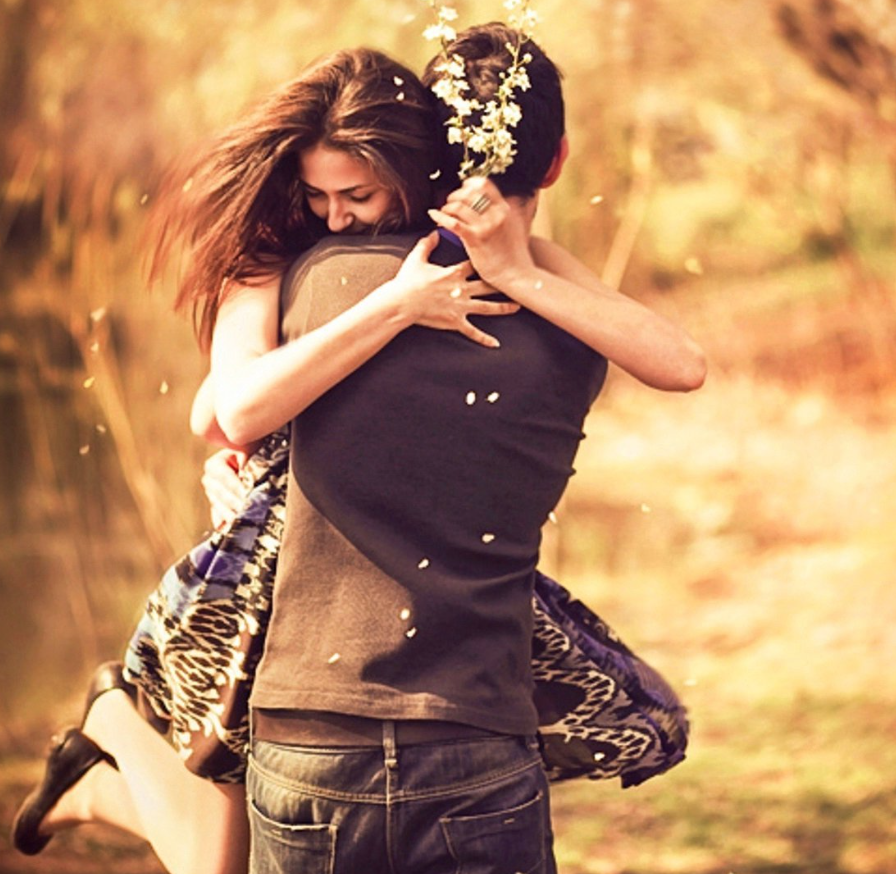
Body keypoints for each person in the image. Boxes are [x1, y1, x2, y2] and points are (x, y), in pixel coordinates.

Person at [13, 32, 703, 874]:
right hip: (277, 599)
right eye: (318, 195)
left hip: (353, 667)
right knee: (217, 855)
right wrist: (391, 314)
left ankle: (99, 767)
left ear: (419, 168)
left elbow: (681, 363)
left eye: (357, 194)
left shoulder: (501, 269)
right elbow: (219, 412)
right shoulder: (284, 253)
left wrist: (513, 275)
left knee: (217, 859)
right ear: (557, 160)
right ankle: (111, 736)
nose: (336, 215)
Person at [240, 22, 702, 874]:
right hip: (475, 736)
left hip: (309, 732)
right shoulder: (569, 317)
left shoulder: (317, 280)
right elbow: (682, 365)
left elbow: (228, 413)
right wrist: (522, 275)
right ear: (556, 160)